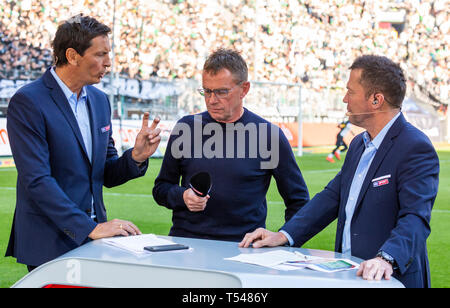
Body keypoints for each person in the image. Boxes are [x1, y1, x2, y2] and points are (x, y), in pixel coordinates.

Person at [239, 55, 439, 288]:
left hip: (390, 278)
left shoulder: (414, 147)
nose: (345, 99)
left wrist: (386, 258)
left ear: (376, 100)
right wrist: (283, 235)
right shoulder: (358, 144)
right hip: (352, 277)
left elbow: (415, 217)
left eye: (350, 92)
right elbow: (331, 197)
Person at [5, 14, 161, 271]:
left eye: (108, 54)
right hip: (50, 239)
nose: (108, 63)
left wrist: (136, 156)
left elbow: (105, 172)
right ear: (72, 55)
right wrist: (90, 227)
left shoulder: (99, 100)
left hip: (94, 237)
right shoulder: (29, 101)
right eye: (100, 54)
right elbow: (37, 180)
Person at [153, 48, 309, 242]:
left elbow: (298, 201)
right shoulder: (186, 128)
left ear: (244, 89)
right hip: (187, 245)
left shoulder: (268, 135)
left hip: (243, 249)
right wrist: (182, 196)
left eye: (221, 92)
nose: (212, 100)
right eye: (207, 91)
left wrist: (285, 240)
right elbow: (161, 188)